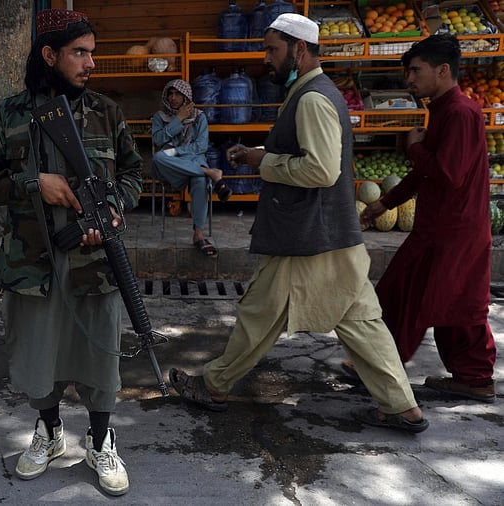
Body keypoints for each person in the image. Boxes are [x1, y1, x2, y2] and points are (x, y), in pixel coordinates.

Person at [168, 14, 429, 433]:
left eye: (272, 49)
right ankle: (401, 406)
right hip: (333, 235)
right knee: (362, 322)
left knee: (259, 314)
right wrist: (261, 152)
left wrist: (261, 161)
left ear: (299, 50)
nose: (265, 58)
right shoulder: (316, 93)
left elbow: (321, 170)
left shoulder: (311, 98)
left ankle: (215, 386)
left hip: (306, 237)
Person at [0, 9, 142, 496]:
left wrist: (108, 212)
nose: (90, 62)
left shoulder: (106, 112)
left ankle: (100, 438)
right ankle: (48, 432)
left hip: (96, 263)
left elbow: (133, 173)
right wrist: (34, 183)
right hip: (32, 262)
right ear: (49, 55)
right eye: (79, 53)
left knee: (99, 355)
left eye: (92, 52)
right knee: (38, 355)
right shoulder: (9, 115)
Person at [353, 34, 497, 404]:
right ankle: (381, 361)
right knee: (404, 293)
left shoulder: (461, 113)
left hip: (456, 230)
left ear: (443, 70)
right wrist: (386, 202)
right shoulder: (443, 110)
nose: (409, 80)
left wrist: (414, 146)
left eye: (416, 71)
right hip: (439, 227)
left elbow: (447, 174)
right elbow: (427, 174)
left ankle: (474, 378)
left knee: (457, 306)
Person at [150, 78, 232, 256]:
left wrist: (175, 152)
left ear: (186, 96)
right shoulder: (159, 117)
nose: (173, 98)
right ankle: (211, 172)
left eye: (177, 94)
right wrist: (178, 120)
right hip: (168, 168)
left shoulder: (199, 117)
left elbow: (200, 147)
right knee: (157, 158)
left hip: (189, 163)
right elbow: (157, 140)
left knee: (199, 180)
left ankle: (198, 234)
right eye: (170, 94)